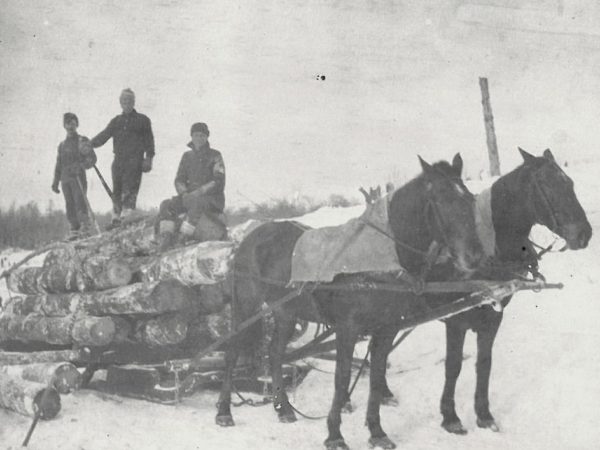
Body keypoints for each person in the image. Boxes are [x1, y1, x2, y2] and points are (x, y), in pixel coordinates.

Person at [157, 122, 226, 250]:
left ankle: (183, 237)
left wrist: (199, 192)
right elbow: (179, 179)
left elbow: (218, 180)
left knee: (197, 203)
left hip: (211, 199)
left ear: (206, 137)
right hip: (189, 196)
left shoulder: (215, 155)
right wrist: (184, 193)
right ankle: (166, 236)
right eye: (196, 135)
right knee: (166, 204)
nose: (199, 138)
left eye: (202, 135)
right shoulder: (187, 156)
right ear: (191, 137)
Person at [91, 88, 155, 225]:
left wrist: (149, 158)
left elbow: (149, 140)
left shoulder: (142, 120)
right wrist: (89, 145)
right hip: (119, 159)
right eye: (124, 100)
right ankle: (116, 216)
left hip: (135, 160)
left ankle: (128, 214)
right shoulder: (116, 121)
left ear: (134, 102)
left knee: (130, 187)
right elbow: (104, 135)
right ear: (120, 102)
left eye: (129, 100)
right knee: (117, 188)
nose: (127, 102)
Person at [52, 113, 97, 240]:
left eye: (72, 123)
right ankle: (74, 230)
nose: (70, 126)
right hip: (65, 180)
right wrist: (55, 182)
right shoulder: (62, 145)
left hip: (78, 178)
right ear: (64, 126)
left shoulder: (81, 140)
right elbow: (58, 164)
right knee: (69, 204)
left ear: (77, 124)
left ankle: (85, 228)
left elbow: (92, 158)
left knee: (80, 202)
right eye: (67, 123)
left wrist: (81, 166)